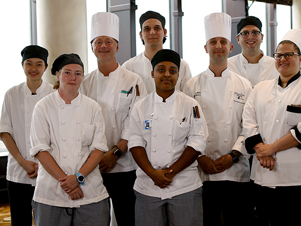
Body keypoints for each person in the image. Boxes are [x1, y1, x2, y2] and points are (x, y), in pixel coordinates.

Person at [243, 29, 301, 226]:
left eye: (288, 54)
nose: (283, 59)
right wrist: (261, 150)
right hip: (264, 175)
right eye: (279, 55)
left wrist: (271, 149)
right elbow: (248, 120)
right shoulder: (260, 88)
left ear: (300, 58)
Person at [183, 12, 253, 226]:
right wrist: (200, 156)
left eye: (223, 42)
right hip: (203, 170)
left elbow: (248, 126)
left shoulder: (244, 85)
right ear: (206, 47)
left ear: (231, 47)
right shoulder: (191, 86)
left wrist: (232, 155)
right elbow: (187, 128)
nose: (218, 46)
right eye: (213, 42)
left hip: (236, 169)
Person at [80, 12, 147, 226]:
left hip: (125, 163)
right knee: (95, 218)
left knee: (127, 216)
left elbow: (137, 122)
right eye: (98, 41)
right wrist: (98, 156)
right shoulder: (84, 82)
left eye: (108, 41)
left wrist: (115, 152)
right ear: (92, 47)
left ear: (117, 46)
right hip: (93, 165)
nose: (103, 46)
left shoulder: (134, 80)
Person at [128, 49, 207, 226]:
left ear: (178, 74)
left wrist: (171, 172)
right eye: (161, 70)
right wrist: (152, 173)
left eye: (172, 71)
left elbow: (197, 141)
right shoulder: (140, 107)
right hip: (148, 185)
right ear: (152, 73)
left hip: (184, 185)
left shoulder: (190, 105)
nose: (166, 75)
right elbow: (135, 142)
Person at [30, 53, 110, 226]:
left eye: (78, 73)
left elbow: (99, 149)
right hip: (51, 193)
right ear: (57, 75)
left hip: (90, 191)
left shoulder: (93, 107)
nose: (73, 78)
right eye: (67, 72)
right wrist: (68, 183)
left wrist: (78, 178)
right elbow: (40, 149)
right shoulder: (43, 107)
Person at [0, 45, 54, 225]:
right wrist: (23, 162)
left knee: (46, 220)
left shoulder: (53, 93)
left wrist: (43, 164)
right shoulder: (11, 94)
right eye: (29, 63)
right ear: (22, 65)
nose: (33, 68)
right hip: (17, 170)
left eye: (39, 64)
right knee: (19, 220)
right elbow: (5, 132)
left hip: (48, 172)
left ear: (45, 67)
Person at [122, 10, 192, 93]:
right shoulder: (129, 67)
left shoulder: (182, 65)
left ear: (164, 32)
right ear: (141, 35)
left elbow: (188, 99)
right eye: (147, 29)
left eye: (157, 28)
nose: (152, 32)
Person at [228, 16, 278, 87]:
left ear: (262, 37)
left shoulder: (274, 65)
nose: (250, 37)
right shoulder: (228, 66)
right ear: (238, 39)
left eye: (255, 32)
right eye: (245, 33)